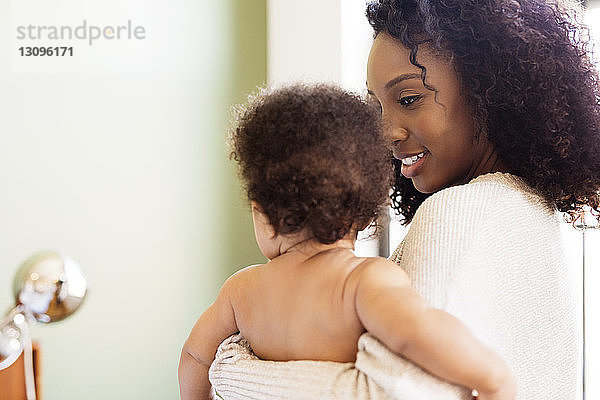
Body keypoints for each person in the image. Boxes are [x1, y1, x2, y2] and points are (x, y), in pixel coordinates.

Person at [208, 0, 600, 399]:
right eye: (376, 107)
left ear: (489, 90)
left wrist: (227, 369)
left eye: (409, 99)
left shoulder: (462, 212)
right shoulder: (523, 208)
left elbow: (388, 394)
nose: (386, 132)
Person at [178, 84, 517, 400]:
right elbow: (416, 332)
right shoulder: (362, 281)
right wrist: (491, 378)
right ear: (369, 213)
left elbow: (195, 355)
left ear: (263, 215)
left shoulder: (240, 291)